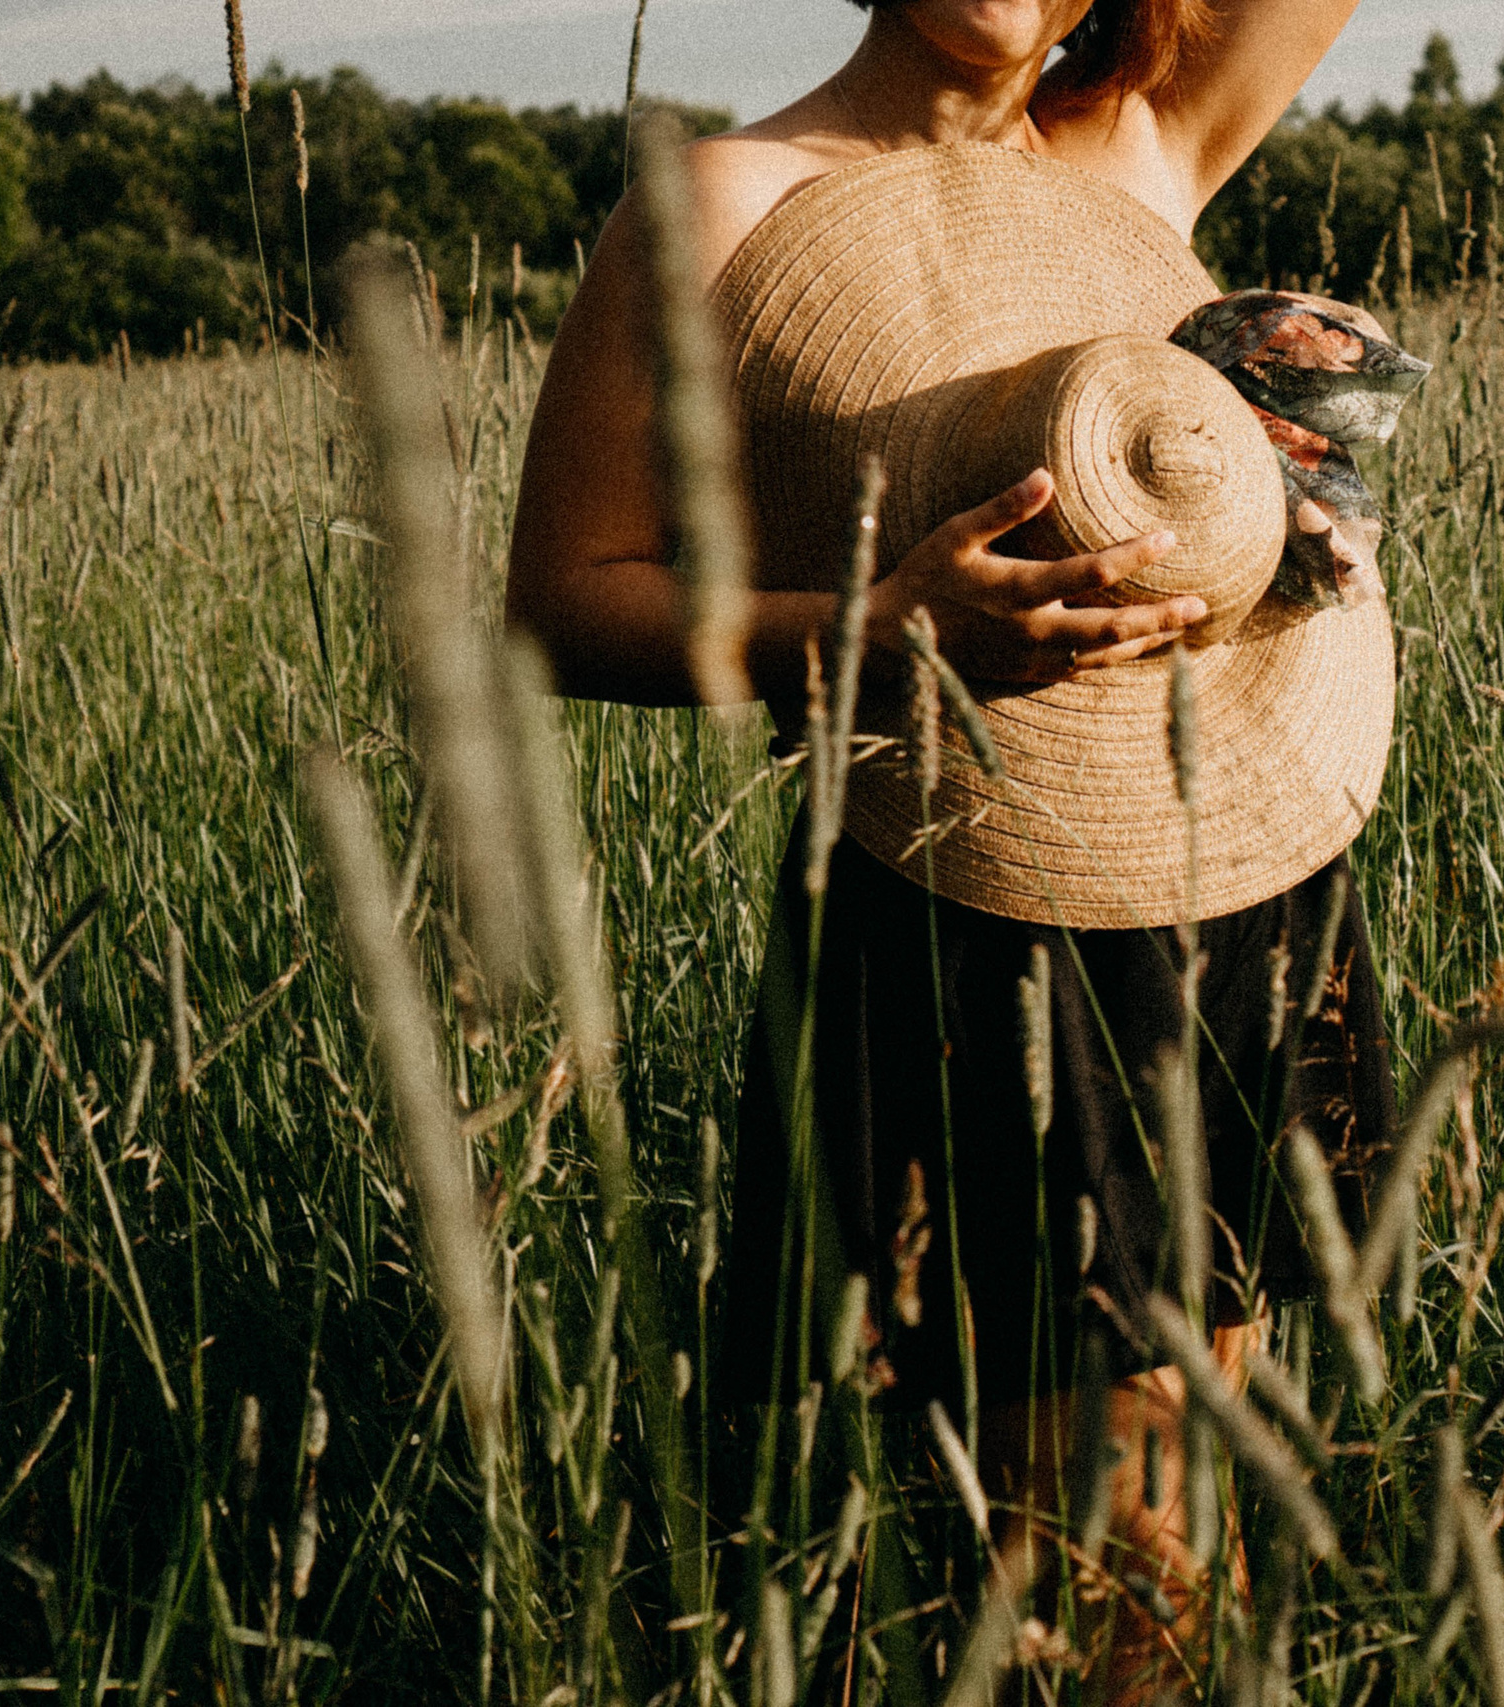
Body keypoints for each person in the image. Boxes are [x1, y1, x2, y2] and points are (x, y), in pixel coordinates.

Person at [506, 1, 1406, 1697]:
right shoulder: (720, 202)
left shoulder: (1142, 140)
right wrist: (869, 635)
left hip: (1233, 873)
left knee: (1173, 1516)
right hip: (971, 910)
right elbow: (564, 603)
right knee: (1083, 1566)